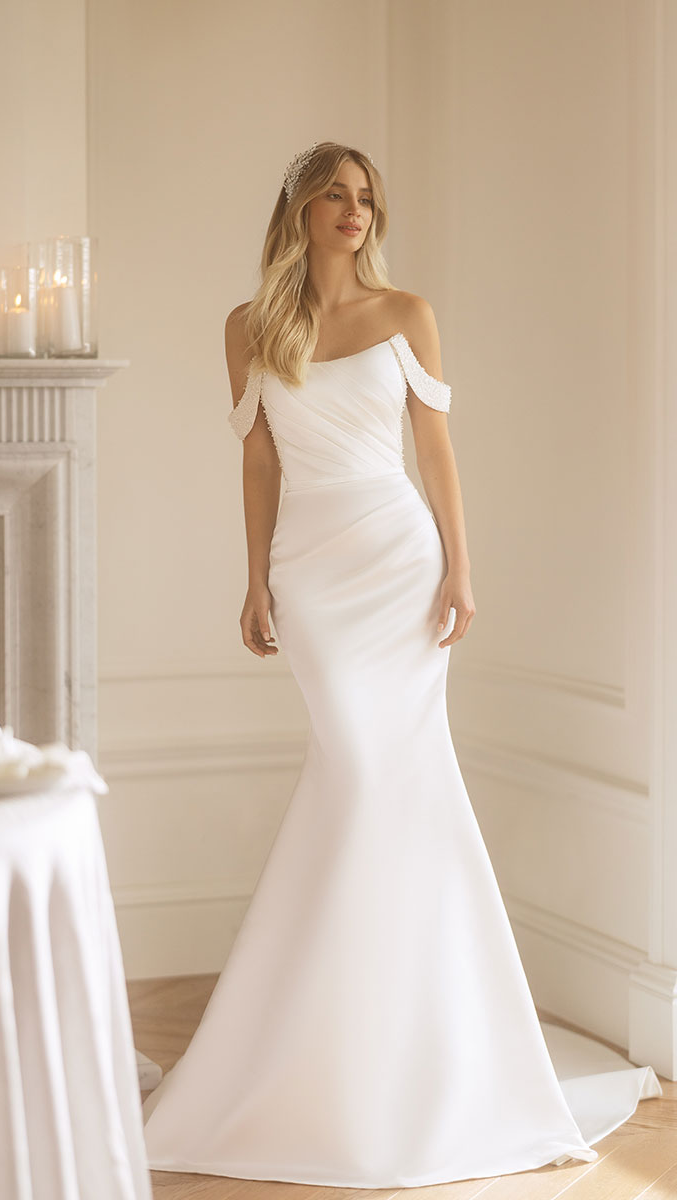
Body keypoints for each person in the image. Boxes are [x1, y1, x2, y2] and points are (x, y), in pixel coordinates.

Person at [142, 141, 661, 1189]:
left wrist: (461, 567)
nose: (356, 211)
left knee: (387, 787)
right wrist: (255, 579)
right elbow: (259, 457)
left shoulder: (407, 314)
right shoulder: (249, 329)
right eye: (336, 194)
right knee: (360, 780)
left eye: (368, 198)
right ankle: (327, 1047)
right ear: (298, 208)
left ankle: (412, 1049)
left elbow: (436, 453)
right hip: (313, 578)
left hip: (399, 564)